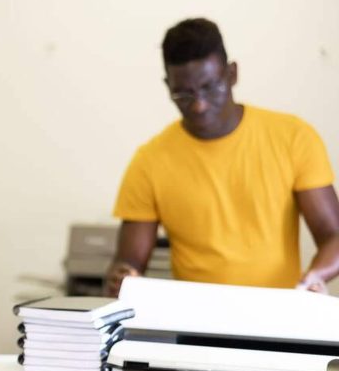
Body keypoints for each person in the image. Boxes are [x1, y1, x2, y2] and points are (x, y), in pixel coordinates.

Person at [106, 17, 339, 297]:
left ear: (232, 74)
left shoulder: (294, 138)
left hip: (279, 311)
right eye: (183, 94)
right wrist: (122, 277)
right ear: (168, 86)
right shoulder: (149, 161)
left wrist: (315, 276)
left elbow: (333, 235)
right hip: (194, 318)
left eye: (210, 87)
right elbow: (129, 262)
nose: (199, 105)